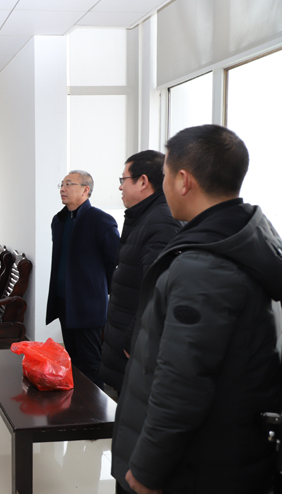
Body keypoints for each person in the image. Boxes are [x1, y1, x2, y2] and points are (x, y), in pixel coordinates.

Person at [111, 124, 282, 494]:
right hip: (219, 455)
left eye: (166, 174)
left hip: (193, 467)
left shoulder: (205, 266)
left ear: (183, 180)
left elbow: (182, 382)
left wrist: (146, 470)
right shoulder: (238, 237)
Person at [99, 151, 180, 394]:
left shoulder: (160, 222)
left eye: (123, 180)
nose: (120, 187)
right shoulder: (143, 217)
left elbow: (158, 289)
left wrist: (132, 339)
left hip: (134, 349)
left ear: (143, 181)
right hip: (125, 343)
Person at [46, 170, 119, 389]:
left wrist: (100, 292)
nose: (62, 189)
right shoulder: (59, 220)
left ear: (85, 190)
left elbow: (115, 262)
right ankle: (78, 404)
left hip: (88, 304)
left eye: (69, 184)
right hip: (63, 301)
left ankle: (97, 407)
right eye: (61, 184)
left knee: (91, 363)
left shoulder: (101, 220)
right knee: (73, 360)